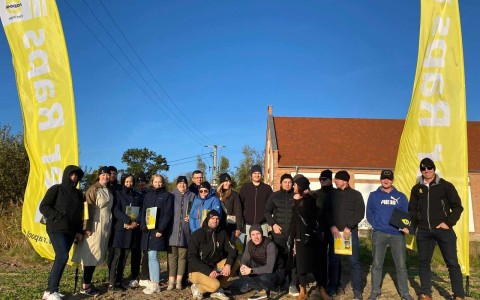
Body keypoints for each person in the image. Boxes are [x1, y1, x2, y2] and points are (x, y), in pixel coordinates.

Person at [408, 158, 465, 300]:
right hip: (424, 231)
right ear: (421, 171)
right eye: (423, 169)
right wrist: (411, 228)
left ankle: (459, 295)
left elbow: (457, 206)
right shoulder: (417, 189)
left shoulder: (446, 186)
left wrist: (448, 222)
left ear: (434, 169)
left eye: (429, 168)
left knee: (452, 262)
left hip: (443, 230)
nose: (426, 171)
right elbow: (412, 211)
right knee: (423, 262)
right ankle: (426, 293)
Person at [366, 170, 413, 300]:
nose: (386, 181)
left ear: (392, 180)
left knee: (401, 265)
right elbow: (369, 213)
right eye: (383, 179)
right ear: (380, 179)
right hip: (379, 233)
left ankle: (404, 293)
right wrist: (376, 225)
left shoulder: (401, 196)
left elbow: (406, 215)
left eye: (388, 179)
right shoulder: (374, 195)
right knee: (376, 264)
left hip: (397, 235)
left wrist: (405, 227)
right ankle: (375, 291)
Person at [40, 165, 85, 300]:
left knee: (60, 258)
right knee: (63, 256)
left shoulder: (78, 194)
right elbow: (44, 206)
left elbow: (79, 214)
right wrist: (56, 215)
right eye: (71, 174)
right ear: (66, 175)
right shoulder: (56, 189)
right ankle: (53, 290)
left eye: (76, 175)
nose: (74, 177)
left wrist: (79, 231)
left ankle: (49, 290)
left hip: (71, 231)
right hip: (56, 228)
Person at [72, 166, 114, 296]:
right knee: (91, 254)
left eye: (107, 174)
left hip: (105, 225)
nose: (105, 177)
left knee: (97, 254)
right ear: (99, 176)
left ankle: (87, 283)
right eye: (103, 175)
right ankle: (85, 285)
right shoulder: (93, 189)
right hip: (95, 224)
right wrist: (88, 227)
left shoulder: (108, 189)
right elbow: (88, 208)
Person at [324, 170, 365, 300]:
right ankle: (332, 287)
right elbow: (326, 211)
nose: (335, 181)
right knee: (334, 262)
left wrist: (349, 226)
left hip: (349, 234)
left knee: (354, 263)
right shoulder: (331, 194)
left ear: (345, 181)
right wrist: (332, 226)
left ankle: (357, 290)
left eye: (337, 179)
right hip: (335, 233)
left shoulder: (356, 195)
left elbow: (360, 212)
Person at [188, 210, 238, 300]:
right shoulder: (197, 235)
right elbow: (191, 258)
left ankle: (220, 288)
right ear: (207, 219)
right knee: (215, 285)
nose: (215, 220)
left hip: (214, 268)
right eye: (212, 218)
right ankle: (197, 288)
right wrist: (208, 271)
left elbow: (233, 250)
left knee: (236, 261)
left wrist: (228, 264)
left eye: (217, 218)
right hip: (197, 271)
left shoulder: (222, 233)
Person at [264, 173, 299, 296]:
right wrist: (273, 224)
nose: (287, 184)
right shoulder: (274, 196)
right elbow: (267, 212)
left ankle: (292, 284)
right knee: (280, 259)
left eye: (290, 182)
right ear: (281, 183)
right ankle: (280, 282)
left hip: (293, 234)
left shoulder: (296, 197)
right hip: (278, 234)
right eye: (285, 182)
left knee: (293, 259)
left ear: (292, 184)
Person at [288, 176, 322, 300]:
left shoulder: (310, 200)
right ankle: (303, 290)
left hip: (310, 235)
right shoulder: (296, 200)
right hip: (299, 235)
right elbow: (294, 220)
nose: (293, 187)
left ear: (300, 186)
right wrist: (291, 237)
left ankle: (322, 289)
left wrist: (308, 234)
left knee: (314, 263)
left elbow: (312, 219)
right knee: (300, 263)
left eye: (295, 184)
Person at [139, 174, 174, 294]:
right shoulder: (148, 195)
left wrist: (161, 229)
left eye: (160, 182)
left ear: (163, 183)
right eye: (156, 182)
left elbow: (168, 214)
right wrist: (143, 225)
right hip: (147, 231)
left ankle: (156, 284)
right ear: (152, 182)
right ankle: (153, 281)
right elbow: (143, 211)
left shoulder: (167, 196)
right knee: (149, 256)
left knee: (153, 256)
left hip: (158, 231)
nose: (158, 184)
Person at [108, 174, 142, 292]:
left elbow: (140, 210)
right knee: (116, 257)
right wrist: (128, 221)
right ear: (123, 182)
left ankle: (119, 281)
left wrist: (135, 222)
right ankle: (112, 283)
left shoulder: (136, 195)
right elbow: (116, 210)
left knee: (124, 258)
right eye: (127, 181)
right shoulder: (117, 193)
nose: (129, 184)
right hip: (120, 230)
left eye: (131, 181)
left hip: (131, 230)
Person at [240, 224, 285, 300]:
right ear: (250, 235)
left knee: (264, 277)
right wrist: (243, 266)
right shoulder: (250, 243)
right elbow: (245, 258)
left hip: (277, 272)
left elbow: (269, 268)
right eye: (253, 234)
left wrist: (251, 270)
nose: (256, 237)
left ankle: (274, 290)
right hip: (261, 268)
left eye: (258, 234)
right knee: (242, 272)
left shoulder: (270, 245)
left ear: (262, 234)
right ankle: (262, 290)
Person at [167, 176, 196, 290]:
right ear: (176, 184)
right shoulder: (171, 195)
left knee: (182, 257)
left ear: (187, 184)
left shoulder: (193, 196)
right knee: (172, 257)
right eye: (180, 183)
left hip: (185, 232)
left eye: (184, 183)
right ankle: (171, 281)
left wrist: (191, 216)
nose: (182, 185)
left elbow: (196, 212)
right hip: (172, 232)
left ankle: (179, 282)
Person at [311, 170, 335, 300]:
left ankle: (334, 283)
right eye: (320, 179)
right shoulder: (316, 195)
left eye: (324, 179)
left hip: (334, 230)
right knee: (320, 259)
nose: (322, 181)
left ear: (331, 179)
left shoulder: (336, 194)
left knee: (334, 259)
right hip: (320, 231)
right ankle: (322, 285)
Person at [240, 164, 273, 240]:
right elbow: (240, 205)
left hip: (263, 225)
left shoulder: (267, 189)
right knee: (248, 247)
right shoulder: (245, 188)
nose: (257, 175)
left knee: (263, 247)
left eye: (259, 173)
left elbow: (271, 206)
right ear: (251, 175)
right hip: (248, 225)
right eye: (255, 173)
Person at [216, 173, 243, 239]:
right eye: (226, 181)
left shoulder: (234, 195)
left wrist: (238, 228)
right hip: (218, 225)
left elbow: (238, 211)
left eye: (229, 181)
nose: (228, 183)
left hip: (230, 225)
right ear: (222, 182)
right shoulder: (216, 194)